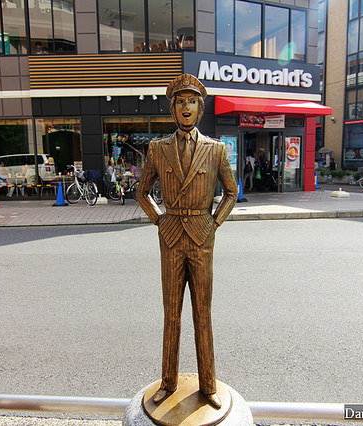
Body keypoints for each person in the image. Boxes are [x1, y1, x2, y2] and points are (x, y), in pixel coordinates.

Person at [135, 74, 238, 410]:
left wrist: (214, 222)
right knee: (172, 313)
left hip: (201, 235)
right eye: (180, 101)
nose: (186, 107)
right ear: (172, 109)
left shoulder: (216, 149)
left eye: (191, 101)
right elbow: (142, 191)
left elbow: (232, 192)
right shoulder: (157, 149)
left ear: (200, 107)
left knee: (202, 313)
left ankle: (208, 384)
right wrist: (159, 219)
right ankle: (168, 381)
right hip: (171, 236)